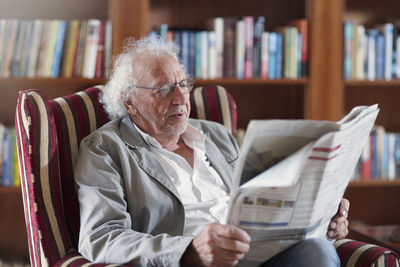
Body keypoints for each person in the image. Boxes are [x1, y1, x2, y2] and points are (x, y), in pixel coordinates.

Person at [74, 37, 349, 267]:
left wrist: (319, 217)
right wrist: (189, 250)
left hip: (256, 255)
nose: (181, 97)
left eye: (183, 84)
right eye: (165, 89)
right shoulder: (105, 149)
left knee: (319, 250)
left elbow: (261, 200)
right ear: (130, 101)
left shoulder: (216, 134)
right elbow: (101, 238)